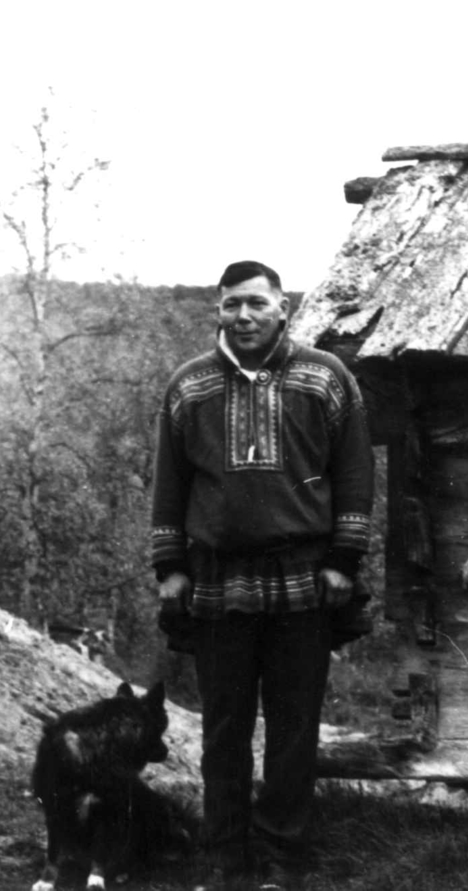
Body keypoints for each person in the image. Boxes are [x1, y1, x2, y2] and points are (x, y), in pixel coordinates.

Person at [152, 261, 374, 891]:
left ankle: (284, 859)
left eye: (255, 304)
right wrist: (170, 568)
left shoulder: (325, 379)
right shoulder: (189, 385)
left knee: (294, 725)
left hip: (304, 578)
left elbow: (356, 474)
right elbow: (170, 483)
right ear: (218, 311)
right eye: (230, 306)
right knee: (224, 728)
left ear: (283, 308)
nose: (243, 316)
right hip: (217, 581)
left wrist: (343, 561)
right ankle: (225, 859)